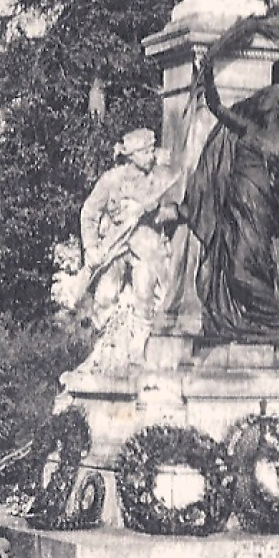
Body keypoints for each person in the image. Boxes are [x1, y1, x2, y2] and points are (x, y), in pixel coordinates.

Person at [179, 47, 279, 345]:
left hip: (260, 211)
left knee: (240, 270)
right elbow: (217, 108)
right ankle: (248, 323)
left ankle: (275, 322)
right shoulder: (248, 129)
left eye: (269, 103)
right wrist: (207, 74)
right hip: (234, 208)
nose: (263, 105)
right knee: (230, 267)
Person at [59, 129, 179, 374]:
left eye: (151, 150)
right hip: (114, 247)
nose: (150, 156)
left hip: (147, 246)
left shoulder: (161, 178)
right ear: (132, 155)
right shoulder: (112, 179)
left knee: (145, 290)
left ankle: (137, 350)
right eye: (145, 152)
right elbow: (90, 212)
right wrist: (91, 248)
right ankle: (108, 351)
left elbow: (176, 212)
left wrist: (153, 213)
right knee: (105, 296)